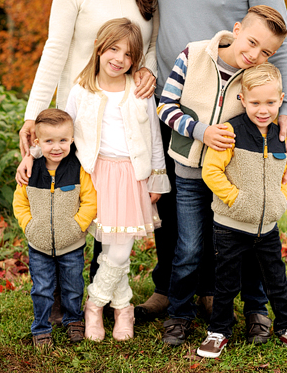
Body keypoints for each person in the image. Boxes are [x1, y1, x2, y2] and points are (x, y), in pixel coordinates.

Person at [135, 0, 287, 327]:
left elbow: (280, 34)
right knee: (174, 200)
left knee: (238, 203)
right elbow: (138, 6)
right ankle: (172, 291)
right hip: (171, 101)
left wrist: (284, 107)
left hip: (234, 107)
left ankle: (241, 301)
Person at [14, 0, 162, 322]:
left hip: (124, 115)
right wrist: (35, 113)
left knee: (110, 212)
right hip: (76, 116)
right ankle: (65, 296)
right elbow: (55, 49)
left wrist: (147, 71)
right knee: (68, 206)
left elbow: (149, 44)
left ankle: (99, 298)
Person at [157, 5, 287, 347]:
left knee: (246, 247)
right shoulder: (194, 55)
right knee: (189, 247)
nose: (254, 54)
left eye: (266, 52)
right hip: (191, 172)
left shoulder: (258, 77)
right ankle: (179, 314)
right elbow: (165, 106)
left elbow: (271, 127)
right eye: (251, 43)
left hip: (236, 179)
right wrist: (202, 131)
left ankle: (254, 312)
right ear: (237, 29)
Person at [64, 18, 170, 341]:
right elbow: (64, 131)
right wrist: (36, 154)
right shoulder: (82, 90)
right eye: (113, 49)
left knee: (120, 250)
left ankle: (95, 305)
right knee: (110, 246)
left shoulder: (138, 91)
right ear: (100, 48)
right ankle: (123, 306)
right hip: (96, 175)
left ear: (134, 60)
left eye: (128, 55)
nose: (119, 59)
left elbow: (153, 136)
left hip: (130, 176)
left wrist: (156, 178)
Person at [196, 63, 287, 359]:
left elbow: (285, 173)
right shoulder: (229, 132)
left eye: (271, 103)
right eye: (256, 102)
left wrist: (280, 199)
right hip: (230, 227)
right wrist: (236, 199)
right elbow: (211, 171)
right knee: (226, 282)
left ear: (281, 100)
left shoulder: (281, 136)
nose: (263, 110)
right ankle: (218, 331)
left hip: (267, 229)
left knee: (276, 281)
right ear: (243, 99)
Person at [12, 109, 96, 351]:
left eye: (63, 140)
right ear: (37, 143)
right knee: (42, 288)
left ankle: (73, 320)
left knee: (72, 286)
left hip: (72, 244)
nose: (56, 147)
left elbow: (90, 201)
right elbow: (20, 202)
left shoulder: (78, 168)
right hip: (38, 245)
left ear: (71, 139)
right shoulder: (31, 169)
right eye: (49, 141)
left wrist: (77, 226)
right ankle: (41, 327)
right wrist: (29, 225)